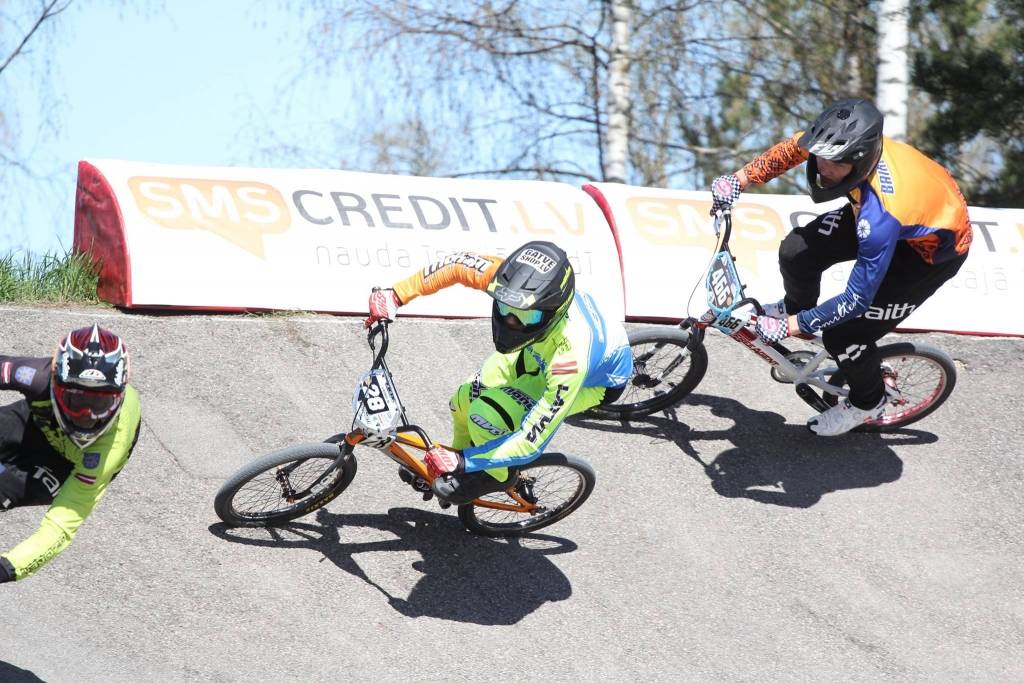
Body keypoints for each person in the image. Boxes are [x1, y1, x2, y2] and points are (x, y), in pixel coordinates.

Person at [709, 97, 971, 436]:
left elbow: (855, 300)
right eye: (820, 157)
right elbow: (793, 149)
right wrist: (740, 179)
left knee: (844, 333)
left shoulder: (880, 217)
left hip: (925, 257)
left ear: (859, 161)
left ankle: (868, 402)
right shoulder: (839, 144)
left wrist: (786, 328)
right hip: (903, 212)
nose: (821, 168)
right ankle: (796, 310)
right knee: (796, 251)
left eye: (834, 164)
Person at [364, 241, 633, 504]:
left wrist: (465, 462)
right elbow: (455, 265)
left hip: (592, 380)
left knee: (487, 414)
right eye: (504, 308)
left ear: (553, 312)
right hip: (537, 348)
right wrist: (396, 294)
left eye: (526, 317)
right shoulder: (510, 283)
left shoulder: (571, 360)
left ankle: (499, 475)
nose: (511, 322)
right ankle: (460, 456)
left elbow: (531, 440)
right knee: (463, 400)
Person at [0, 324, 140, 583]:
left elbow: (60, 526)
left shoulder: (109, 450)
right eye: (78, 400)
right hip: (38, 423)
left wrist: (10, 566)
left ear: (118, 397)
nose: (87, 416)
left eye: (100, 403)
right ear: (56, 380)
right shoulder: (37, 376)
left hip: (65, 465)